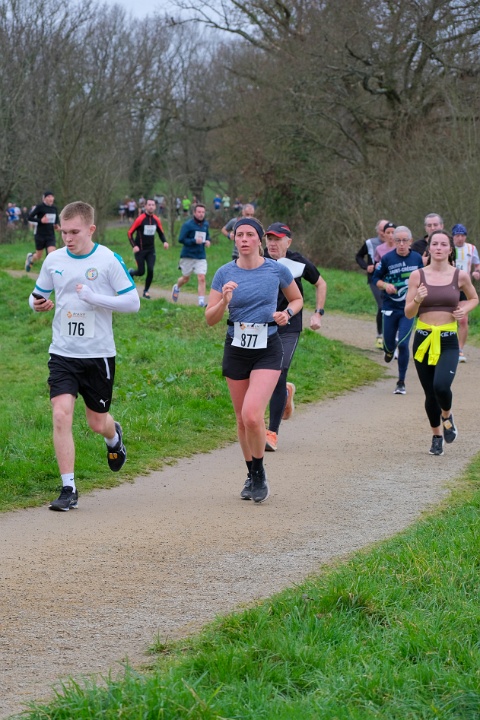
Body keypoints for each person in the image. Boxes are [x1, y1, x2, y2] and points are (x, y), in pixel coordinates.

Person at [29, 201, 140, 511]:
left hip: (98, 355)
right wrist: (36, 304)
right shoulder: (54, 259)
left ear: (91, 229)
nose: (68, 238)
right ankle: (69, 488)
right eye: (63, 232)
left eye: (74, 232)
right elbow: (37, 296)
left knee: (97, 422)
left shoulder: (108, 260)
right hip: (62, 352)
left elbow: (133, 302)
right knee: (60, 414)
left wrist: (95, 298)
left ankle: (114, 438)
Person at [205, 217, 303, 503]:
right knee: (241, 419)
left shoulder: (276, 269)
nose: (244, 239)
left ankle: (259, 472)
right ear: (234, 239)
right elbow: (210, 318)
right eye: (239, 235)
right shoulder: (224, 273)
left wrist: (287, 314)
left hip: (267, 347)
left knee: (251, 415)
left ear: (259, 240)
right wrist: (224, 302)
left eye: (250, 234)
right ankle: (251, 473)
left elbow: (296, 299)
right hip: (236, 347)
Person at [405, 230, 478, 456]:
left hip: (447, 340)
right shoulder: (417, 276)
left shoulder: (460, 276)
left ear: (450, 249)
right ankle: (437, 436)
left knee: (441, 386)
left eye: (443, 244)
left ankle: (447, 415)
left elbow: (474, 298)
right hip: (423, 339)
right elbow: (408, 313)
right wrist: (418, 299)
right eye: (434, 244)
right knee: (430, 393)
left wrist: (464, 309)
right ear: (429, 249)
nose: (438, 247)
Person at [263, 222, 327, 451]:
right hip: (263, 325)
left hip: (289, 326)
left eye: (277, 239)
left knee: (279, 371)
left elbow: (321, 283)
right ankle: (286, 393)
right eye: (269, 238)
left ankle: (272, 433)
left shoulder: (298, 262)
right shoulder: (259, 260)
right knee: (263, 374)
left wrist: (318, 313)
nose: (272, 243)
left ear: (288, 242)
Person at [372, 226, 423, 395]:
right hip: (390, 307)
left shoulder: (416, 258)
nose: (401, 244)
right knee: (389, 344)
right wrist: (386, 285)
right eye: (398, 241)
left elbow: (423, 278)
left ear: (410, 241)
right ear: (393, 241)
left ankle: (401, 381)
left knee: (403, 343)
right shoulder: (387, 259)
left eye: (404, 241)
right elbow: (376, 279)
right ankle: (388, 351)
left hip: (408, 308)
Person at [355, 219, 389, 348]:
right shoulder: (370, 243)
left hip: (390, 279)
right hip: (374, 279)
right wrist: (366, 266)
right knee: (382, 305)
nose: (383, 233)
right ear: (377, 231)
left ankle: (391, 337)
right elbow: (358, 256)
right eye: (381, 230)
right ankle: (380, 335)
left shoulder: (396, 245)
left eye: (386, 230)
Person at [127, 198, 169, 298]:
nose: (151, 207)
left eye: (152, 205)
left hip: (151, 250)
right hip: (140, 250)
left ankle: (146, 291)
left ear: (155, 207)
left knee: (150, 269)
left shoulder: (156, 220)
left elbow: (161, 233)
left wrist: (165, 242)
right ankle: (131, 272)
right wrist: (134, 246)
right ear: (145, 206)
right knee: (141, 272)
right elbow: (130, 233)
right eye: (149, 205)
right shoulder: (140, 219)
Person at [172, 203, 211, 307]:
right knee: (185, 278)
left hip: (200, 256)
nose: (201, 214)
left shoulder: (205, 224)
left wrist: (208, 241)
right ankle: (177, 287)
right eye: (199, 212)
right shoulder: (187, 225)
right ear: (194, 213)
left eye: (203, 212)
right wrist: (194, 241)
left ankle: (201, 302)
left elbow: (207, 236)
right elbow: (181, 239)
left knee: (201, 277)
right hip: (188, 255)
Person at [451, 223, 480, 362]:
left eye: (462, 235)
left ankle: (459, 350)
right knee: (447, 318)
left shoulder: (471, 248)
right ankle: (445, 347)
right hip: (448, 286)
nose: (460, 238)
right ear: (453, 236)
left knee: (462, 319)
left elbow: (477, 264)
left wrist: (477, 272)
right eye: (457, 235)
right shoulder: (447, 247)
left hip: (464, 288)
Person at [25, 191, 60, 271]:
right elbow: (29, 218)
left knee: (51, 253)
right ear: (44, 198)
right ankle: (30, 259)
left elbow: (56, 220)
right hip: (40, 234)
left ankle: (49, 272)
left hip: (50, 235)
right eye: (49, 197)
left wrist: (56, 226)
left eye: (52, 197)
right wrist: (40, 220)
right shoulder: (39, 207)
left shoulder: (54, 208)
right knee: (38, 256)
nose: (51, 198)